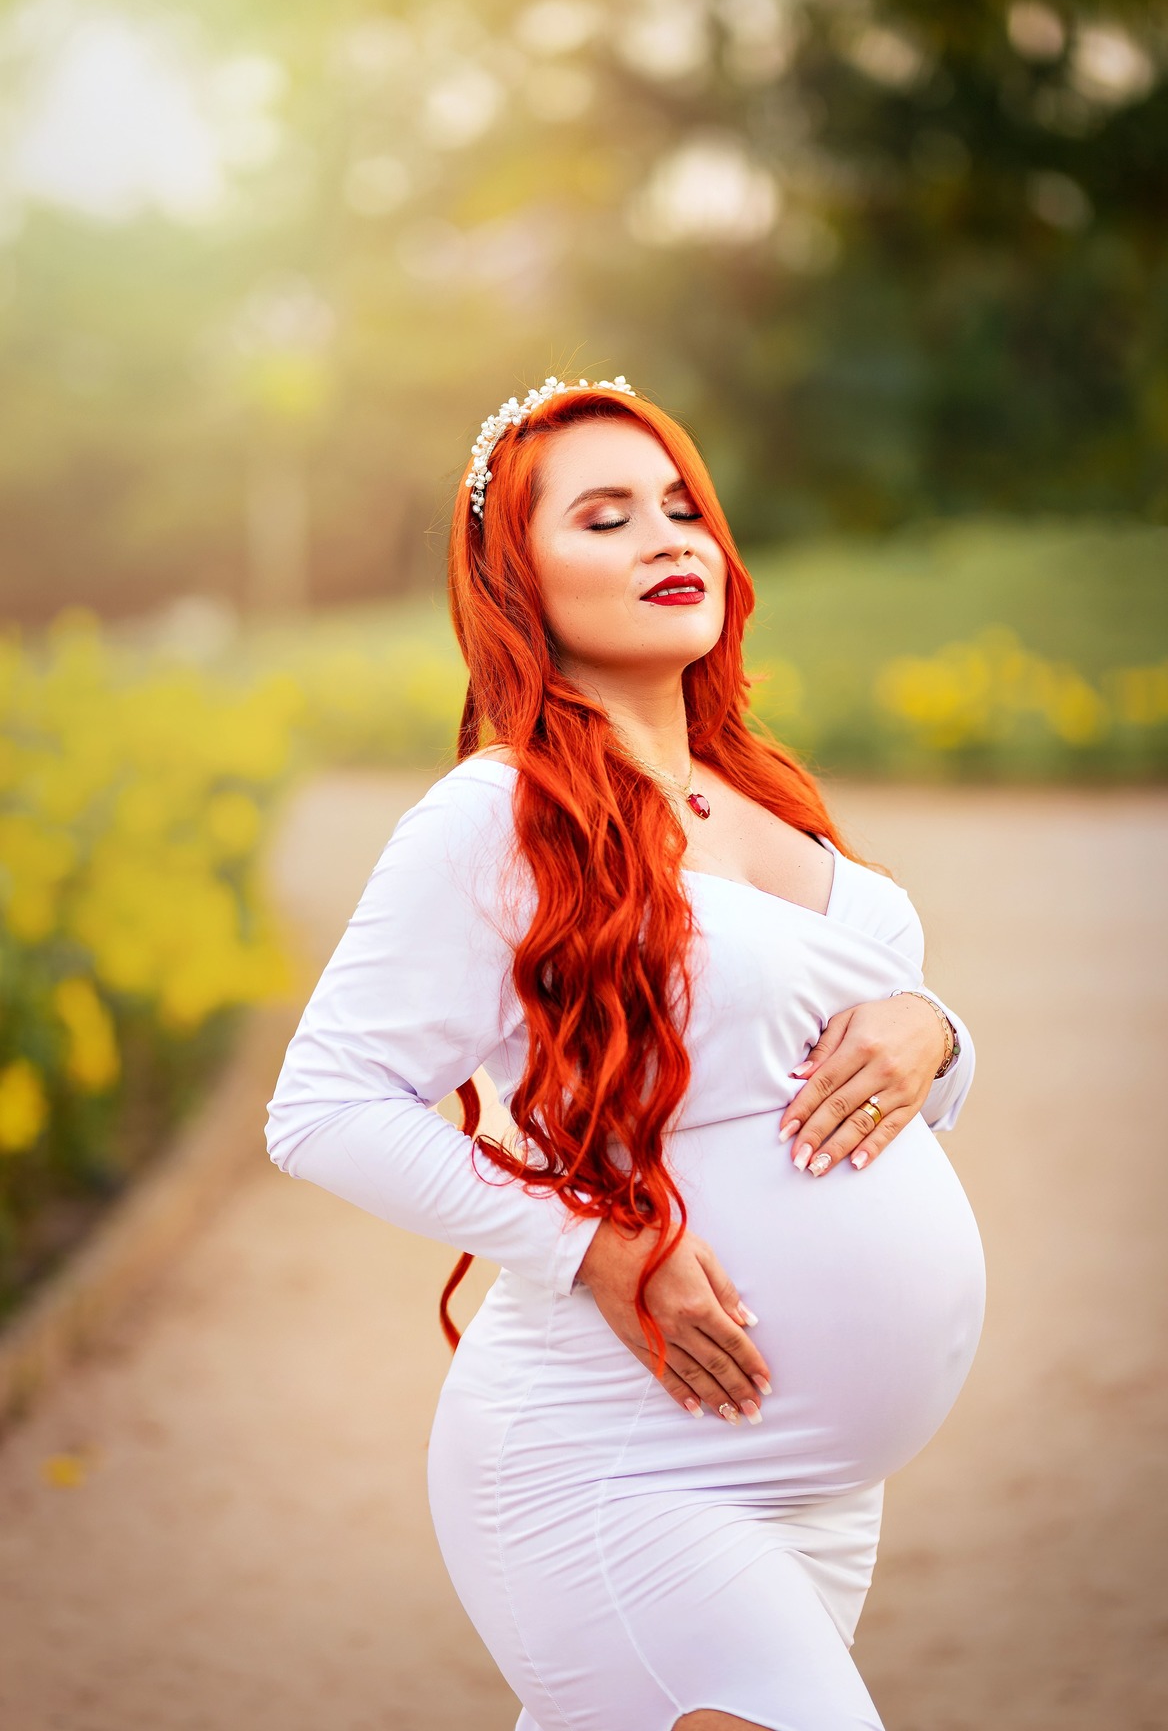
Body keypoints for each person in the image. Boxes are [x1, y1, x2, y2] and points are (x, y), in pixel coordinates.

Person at [264, 377, 986, 1731]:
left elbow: (836, 1061)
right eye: (608, 518)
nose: (671, 540)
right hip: (618, 1460)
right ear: (518, 584)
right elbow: (323, 1107)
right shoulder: (496, 815)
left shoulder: (763, 789)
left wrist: (938, 1030)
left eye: (683, 509)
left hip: (814, 1493)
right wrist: (601, 1247)